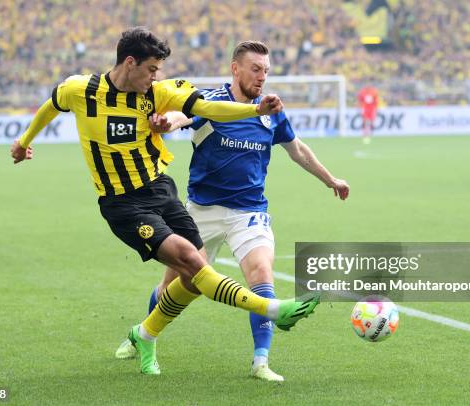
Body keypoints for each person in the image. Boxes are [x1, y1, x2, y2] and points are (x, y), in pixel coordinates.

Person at [10, 27, 320, 376]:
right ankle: (272, 308)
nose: (157, 76)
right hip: (123, 203)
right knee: (192, 261)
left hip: (161, 190)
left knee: (189, 280)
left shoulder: (157, 91)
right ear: (130, 62)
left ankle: (144, 334)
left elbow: (204, 108)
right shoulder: (81, 90)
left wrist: (253, 111)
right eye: (152, 69)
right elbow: (51, 106)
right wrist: (24, 141)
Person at [115, 41, 349, 381]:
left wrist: (331, 180)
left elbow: (296, 149)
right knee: (175, 285)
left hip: (249, 212)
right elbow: (183, 114)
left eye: (266, 71)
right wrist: (167, 121)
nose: (262, 77)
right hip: (200, 212)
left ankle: (261, 362)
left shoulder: (270, 110)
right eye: (256, 69)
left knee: (261, 275)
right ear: (235, 68)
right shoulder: (211, 101)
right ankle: (143, 337)